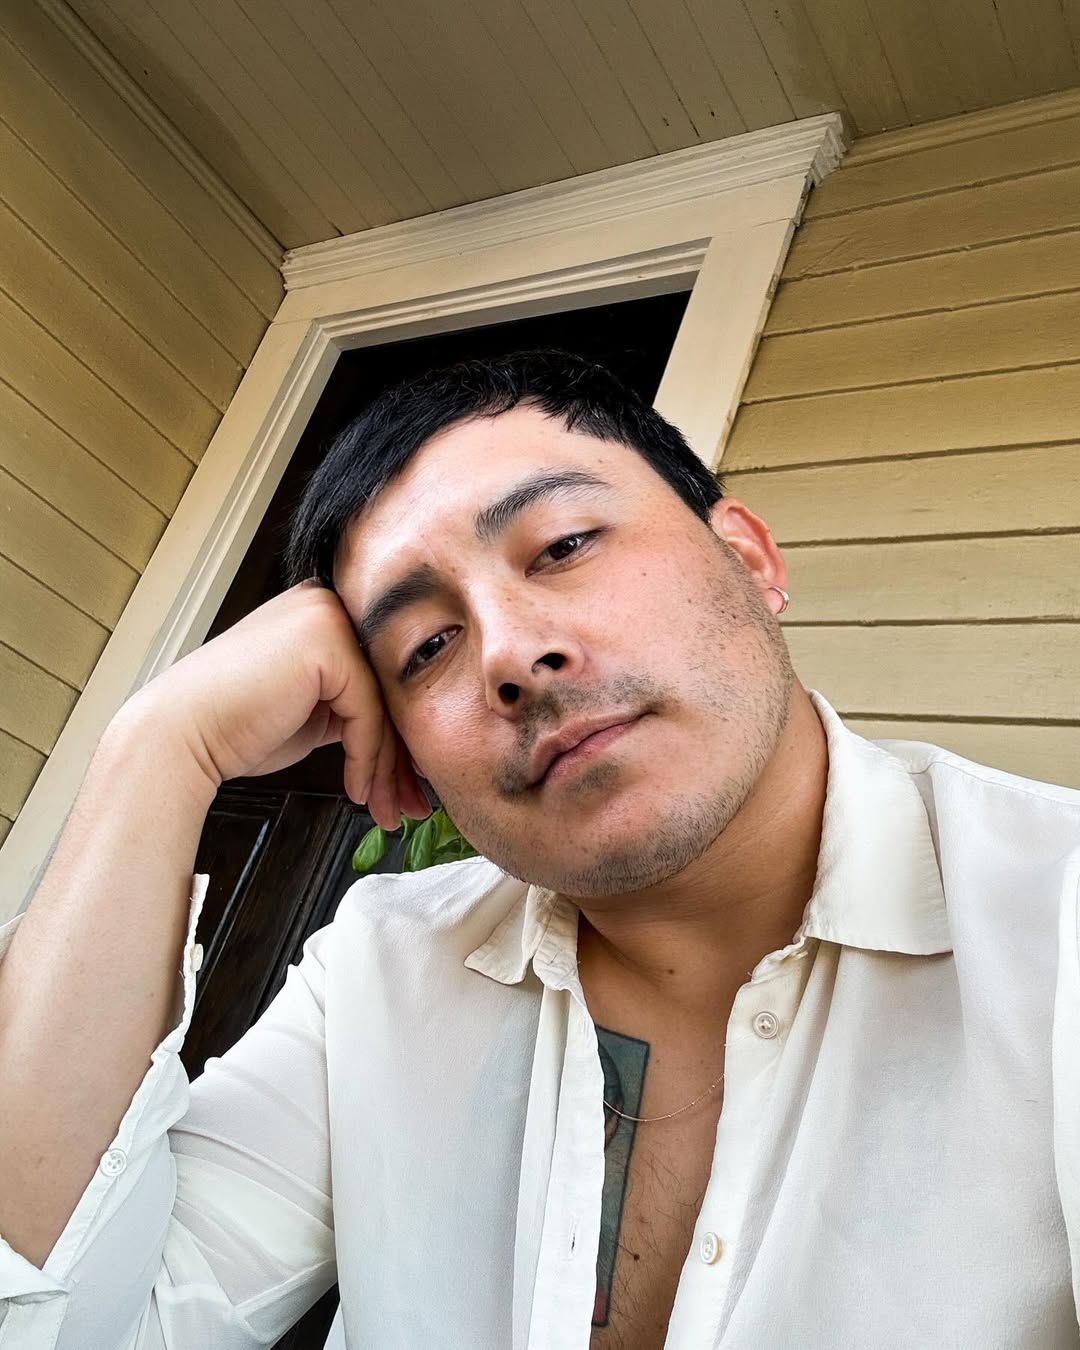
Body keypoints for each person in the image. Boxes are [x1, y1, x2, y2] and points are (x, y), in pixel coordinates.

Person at [0, 349, 1078, 1350]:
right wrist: (160, 747)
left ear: (747, 558)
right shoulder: (381, 969)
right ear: (407, 754)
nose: (511, 655)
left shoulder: (1055, 917)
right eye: (427, 646)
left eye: (563, 546)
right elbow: (62, 1322)